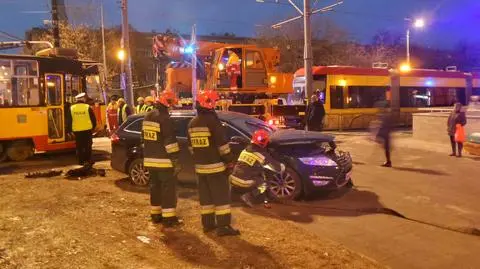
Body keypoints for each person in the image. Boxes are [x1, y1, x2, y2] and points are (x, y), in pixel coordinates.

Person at [187, 90, 240, 236]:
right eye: (214, 102)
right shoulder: (213, 121)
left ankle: (208, 225)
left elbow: (191, 147)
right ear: (208, 103)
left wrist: (201, 159)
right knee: (221, 198)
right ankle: (223, 227)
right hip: (216, 168)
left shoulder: (192, 123)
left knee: (206, 199)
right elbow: (222, 145)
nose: (215, 105)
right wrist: (229, 160)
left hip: (201, 169)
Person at [142, 90, 182, 227]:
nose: (172, 106)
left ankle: (156, 214)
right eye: (171, 103)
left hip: (150, 159)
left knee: (155, 187)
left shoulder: (148, 116)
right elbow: (170, 142)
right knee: (167, 188)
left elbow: (144, 138)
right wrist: (175, 158)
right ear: (167, 102)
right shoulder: (165, 118)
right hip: (164, 161)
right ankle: (169, 218)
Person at [230, 129, 285, 208]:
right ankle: (248, 196)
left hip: (233, 179)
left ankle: (233, 196)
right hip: (244, 182)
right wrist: (282, 165)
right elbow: (278, 169)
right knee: (264, 183)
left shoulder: (246, 149)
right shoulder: (261, 155)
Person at [70, 93, 96, 165]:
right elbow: (93, 119)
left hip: (77, 131)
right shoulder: (87, 107)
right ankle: (88, 160)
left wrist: (70, 130)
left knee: (79, 146)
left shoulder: (72, 108)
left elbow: (69, 120)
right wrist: (93, 128)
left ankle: (80, 161)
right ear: (83, 99)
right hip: (87, 130)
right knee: (88, 146)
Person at [376, 100, 393, 167]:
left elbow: (383, 125)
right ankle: (388, 161)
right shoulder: (387, 115)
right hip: (387, 134)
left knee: (386, 149)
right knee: (386, 148)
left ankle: (388, 162)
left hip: (386, 134)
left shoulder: (386, 116)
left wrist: (379, 134)